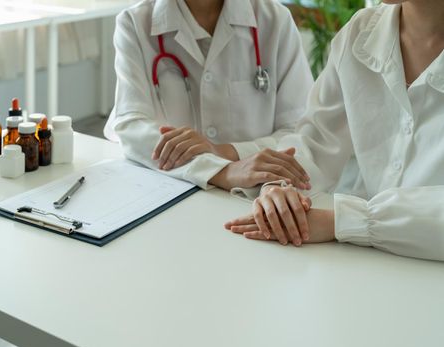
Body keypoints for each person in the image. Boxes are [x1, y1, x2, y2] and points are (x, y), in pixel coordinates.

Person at [225, 0, 444, 261]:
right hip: (369, 265)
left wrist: (343, 221)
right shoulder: (360, 33)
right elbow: (314, 143)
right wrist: (279, 188)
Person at [104, 0, 314, 191]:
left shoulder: (275, 20)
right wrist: (220, 171)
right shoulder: (135, 22)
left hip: (261, 192)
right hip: (174, 190)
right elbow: (131, 126)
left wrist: (227, 152)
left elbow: (300, 132)